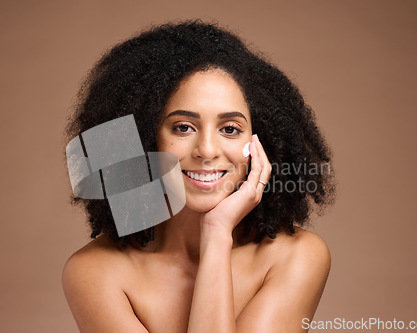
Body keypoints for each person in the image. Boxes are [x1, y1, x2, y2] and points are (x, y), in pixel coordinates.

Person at [62, 20, 336, 332]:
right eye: (183, 127)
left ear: (261, 142)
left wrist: (217, 233)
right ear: (146, 139)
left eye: (230, 129)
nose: (206, 150)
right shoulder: (94, 272)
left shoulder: (297, 257)